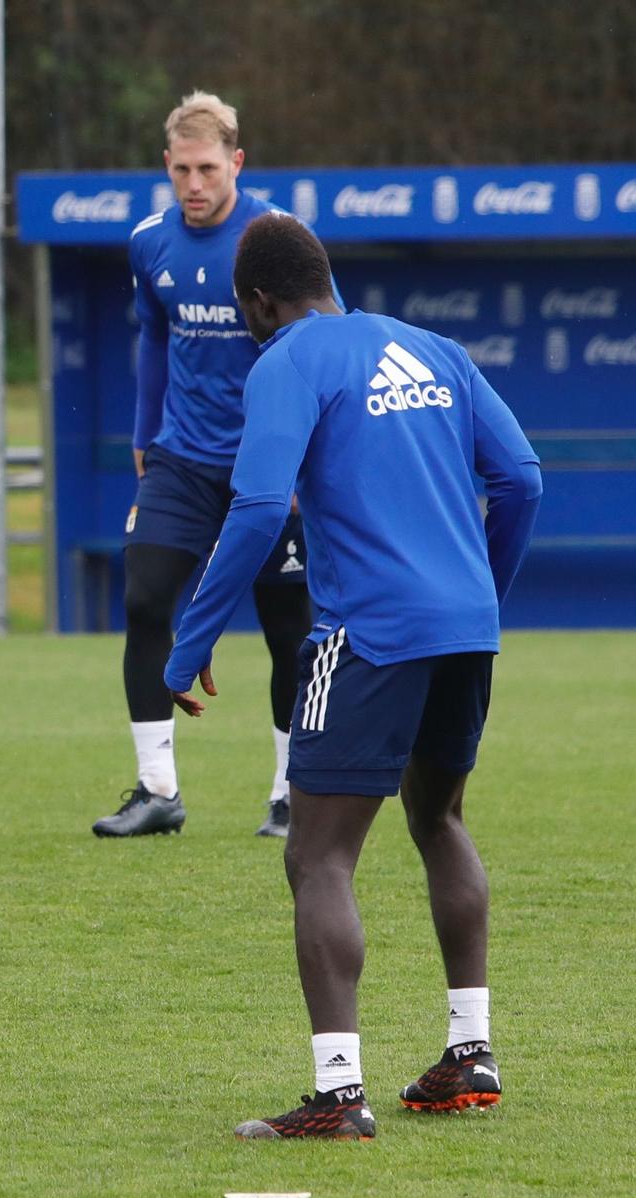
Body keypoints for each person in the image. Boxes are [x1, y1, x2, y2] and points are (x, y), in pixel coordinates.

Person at [164, 213, 541, 1140]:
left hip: (366, 631)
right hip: (464, 630)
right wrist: (475, 597)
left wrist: (191, 635)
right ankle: (470, 1053)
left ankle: (337, 1094)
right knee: (440, 816)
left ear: (258, 301)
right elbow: (523, 479)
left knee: (317, 854)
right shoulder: (437, 350)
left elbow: (256, 508)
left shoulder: (287, 361)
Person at [95, 90, 318, 840]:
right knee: (144, 599)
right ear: (167, 165)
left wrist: (302, 461)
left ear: (237, 162)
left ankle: (291, 794)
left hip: (266, 466)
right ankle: (158, 788)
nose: (195, 184)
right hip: (180, 459)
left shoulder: (277, 238)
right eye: (182, 169)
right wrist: (143, 430)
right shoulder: (149, 241)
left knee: (289, 627)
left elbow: (323, 340)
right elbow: (153, 338)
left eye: (209, 169)